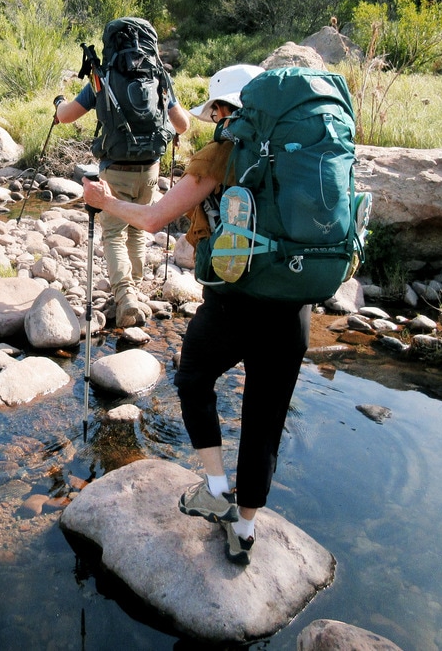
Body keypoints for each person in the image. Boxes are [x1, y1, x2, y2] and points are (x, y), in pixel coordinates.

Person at [82, 63, 310, 567]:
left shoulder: (222, 154)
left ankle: (214, 487)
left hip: (236, 304)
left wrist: (104, 199)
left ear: (226, 110)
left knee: (193, 378)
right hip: (294, 308)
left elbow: (155, 217)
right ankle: (244, 532)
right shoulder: (302, 157)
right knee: (265, 420)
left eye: (219, 111)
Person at [55, 66, 190, 328]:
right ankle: (134, 291)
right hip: (150, 167)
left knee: (114, 234)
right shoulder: (157, 77)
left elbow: (67, 116)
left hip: (115, 168)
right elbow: (182, 125)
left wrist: (59, 103)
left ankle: (125, 295)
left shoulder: (102, 78)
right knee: (138, 229)